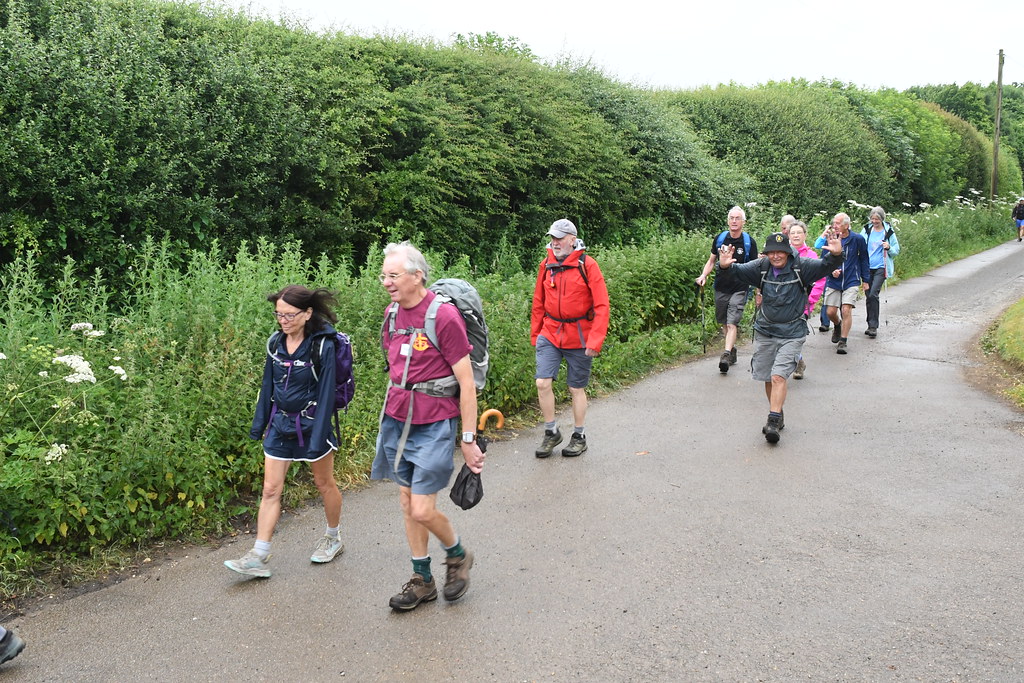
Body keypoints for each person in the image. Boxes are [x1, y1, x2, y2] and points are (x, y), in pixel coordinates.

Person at [372, 241, 485, 611]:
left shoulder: (443, 317)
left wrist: (467, 438)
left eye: (393, 275)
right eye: (384, 275)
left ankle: (458, 554)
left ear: (417, 275)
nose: (386, 282)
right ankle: (422, 579)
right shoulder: (392, 314)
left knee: (421, 509)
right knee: (407, 502)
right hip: (397, 420)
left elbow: (466, 383)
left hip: (435, 424)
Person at [225, 285, 346, 578]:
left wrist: (318, 435)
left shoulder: (322, 346)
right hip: (280, 425)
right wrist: (259, 425)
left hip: (312, 423)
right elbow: (268, 385)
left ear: (307, 313)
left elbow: (327, 393)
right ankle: (258, 555)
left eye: (290, 315)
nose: (283, 320)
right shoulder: (275, 343)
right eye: (279, 314)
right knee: (270, 489)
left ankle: (333, 538)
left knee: (324, 483)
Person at [716, 231, 843, 442]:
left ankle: (773, 420)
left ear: (788, 253)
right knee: (767, 376)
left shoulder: (802, 266)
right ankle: (778, 411)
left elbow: (825, 266)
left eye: (780, 252)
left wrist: (836, 255)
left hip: (792, 333)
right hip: (766, 330)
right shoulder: (761, 267)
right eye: (771, 252)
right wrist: (724, 266)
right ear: (766, 254)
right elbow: (735, 272)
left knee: (778, 376)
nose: (776, 256)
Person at [531, 219, 610, 458]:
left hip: (580, 335)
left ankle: (579, 436)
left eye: (560, 238)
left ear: (572, 240)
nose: (555, 242)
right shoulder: (546, 265)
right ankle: (551, 432)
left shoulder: (588, 265)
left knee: (576, 388)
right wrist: (536, 334)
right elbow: (538, 301)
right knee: (542, 382)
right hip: (550, 332)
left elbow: (602, 305)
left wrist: (595, 340)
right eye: (553, 238)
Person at [696, 206, 760, 373]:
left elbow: (755, 267)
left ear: (743, 222)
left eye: (737, 218)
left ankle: (725, 355)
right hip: (721, 286)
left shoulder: (749, 242)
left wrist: (758, 290)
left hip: (740, 288)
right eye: (731, 218)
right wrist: (703, 275)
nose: (734, 221)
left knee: (732, 323)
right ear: (728, 221)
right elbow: (711, 261)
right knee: (724, 322)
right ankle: (731, 349)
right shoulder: (720, 239)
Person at [822, 213, 870, 355]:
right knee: (830, 312)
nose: (834, 226)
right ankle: (837, 325)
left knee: (846, 310)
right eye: (834, 223)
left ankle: (843, 341)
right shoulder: (830, 239)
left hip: (851, 279)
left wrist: (866, 280)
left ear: (846, 225)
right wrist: (831, 271)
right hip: (834, 281)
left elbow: (864, 259)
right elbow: (823, 259)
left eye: (838, 223)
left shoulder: (857, 239)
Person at [787, 221, 826, 379]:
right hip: (783, 303)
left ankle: (797, 363)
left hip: (803, 304)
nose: (796, 235)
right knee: (784, 335)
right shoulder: (782, 255)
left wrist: (810, 300)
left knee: (794, 335)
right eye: (793, 233)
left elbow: (820, 281)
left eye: (799, 233)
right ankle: (798, 360)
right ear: (788, 236)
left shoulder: (811, 256)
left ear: (805, 235)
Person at [858, 206, 900, 338]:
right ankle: (870, 324)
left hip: (881, 267)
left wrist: (889, 247)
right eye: (872, 219)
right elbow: (859, 244)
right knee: (868, 295)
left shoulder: (888, 232)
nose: (874, 221)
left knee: (873, 294)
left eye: (877, 219)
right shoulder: (866, 230)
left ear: (882, 219)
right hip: (867, 267)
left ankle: (873, 326)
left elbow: (896, 250)